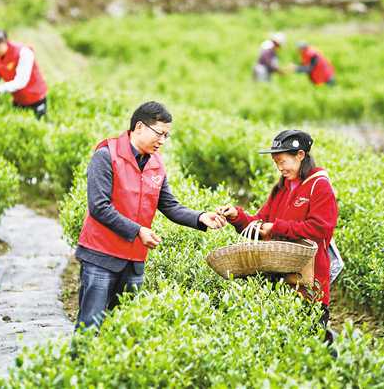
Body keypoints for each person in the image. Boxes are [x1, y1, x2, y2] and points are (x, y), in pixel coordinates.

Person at [74, 101, 227, 330]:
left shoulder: (156, 164)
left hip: (134, 261)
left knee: (124, 330)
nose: (163, 141)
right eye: (159, 133)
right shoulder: (106, 155)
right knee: (89, 326)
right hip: (101, 257)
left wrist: (200, 217)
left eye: (167, 136)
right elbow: (99, 207)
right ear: (139, 127)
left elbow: (169, 205)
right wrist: (138, 231)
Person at [216, 129, 338, 340]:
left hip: (309, 282)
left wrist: (276, 228)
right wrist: (237, 215)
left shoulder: (319, 186)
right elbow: (260, 222)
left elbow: (320, 228)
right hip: (280, 281)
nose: (280, 168)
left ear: (300, 155)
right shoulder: (281, 189)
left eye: (283, 161)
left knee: (313, 341)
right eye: (276, 163)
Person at [0, 29, 48, 119]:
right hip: (18, 99)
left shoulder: (24, 52)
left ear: (3, 42)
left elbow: (21, 81)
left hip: (35, 97)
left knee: (39, 122)